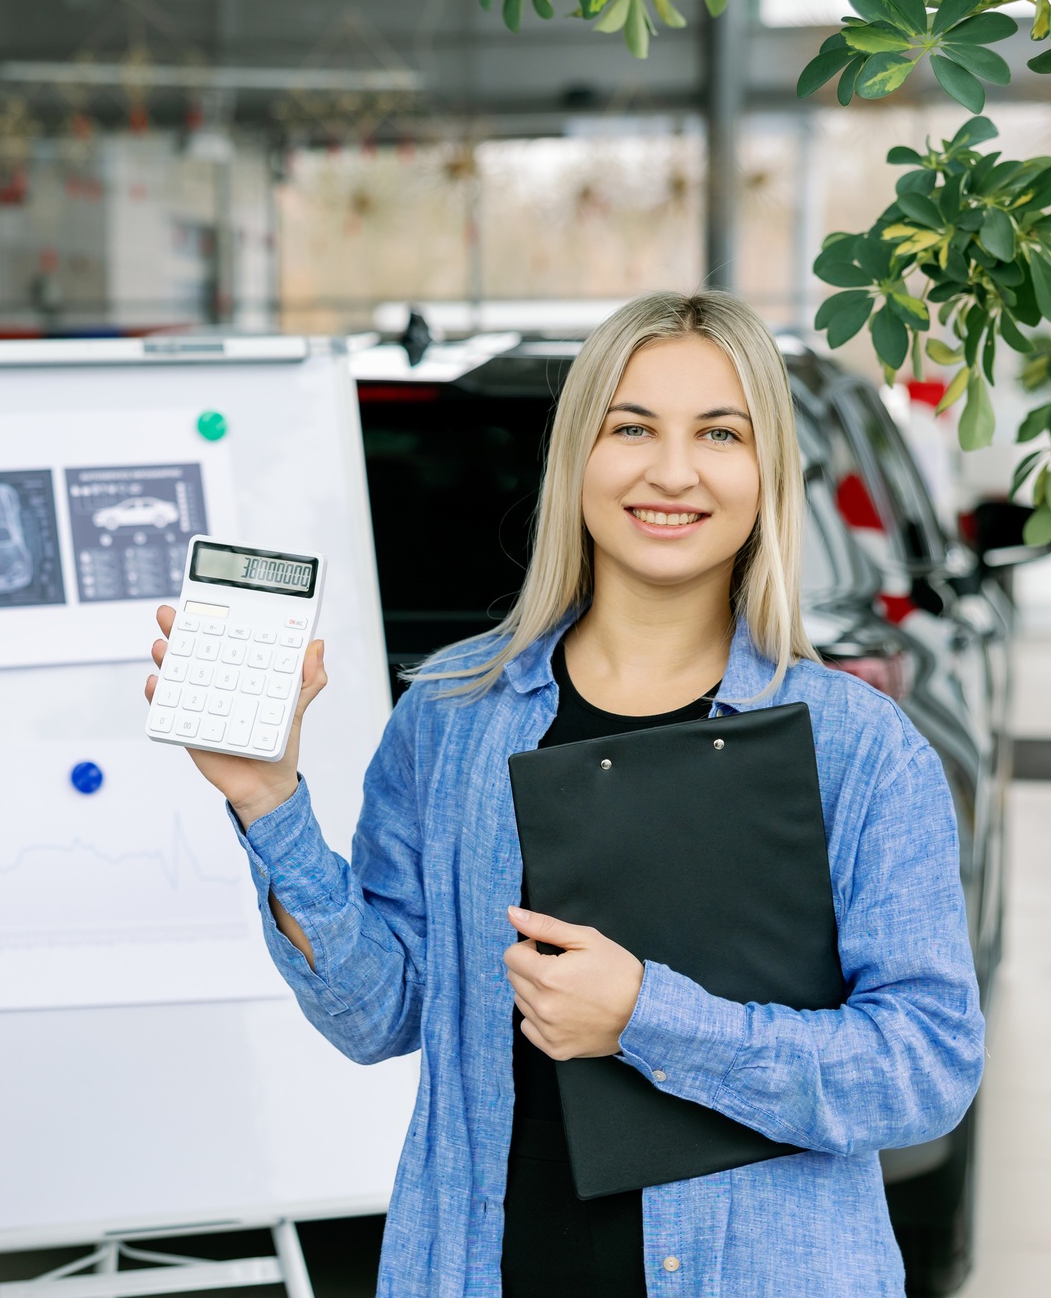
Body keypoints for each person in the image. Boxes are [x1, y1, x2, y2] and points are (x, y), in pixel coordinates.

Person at [143, 291, 984, 1295]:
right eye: (631, 427)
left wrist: (646, 1016)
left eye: (718, 432)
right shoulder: (454, 712)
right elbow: (378, 1012)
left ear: (766, 474)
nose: (670, 471)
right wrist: (266, 799)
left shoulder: (854, 747)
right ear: (576, 455)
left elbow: (924, 1067)